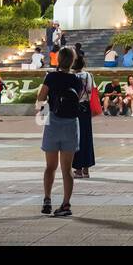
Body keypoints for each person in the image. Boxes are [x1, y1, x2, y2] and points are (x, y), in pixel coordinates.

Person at [36, 46, 83, 216]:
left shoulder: (51, 77)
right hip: (71, 125)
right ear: (72, 61)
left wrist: (43, 110)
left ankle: (47, 199)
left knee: (50, 166)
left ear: (58, 59)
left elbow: (40, 98)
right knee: (67, 169)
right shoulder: (77, 80)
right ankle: (66, 204)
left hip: (53, 123)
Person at [71, 52, 96, 180]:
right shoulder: (88, 75)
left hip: (75, 108)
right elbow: (91, 90)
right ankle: (86, 169)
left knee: (76, 137)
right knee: (87, 136)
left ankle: (78, 169)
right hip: (86, 108)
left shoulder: (72, 76)